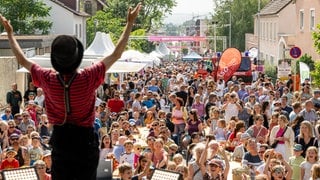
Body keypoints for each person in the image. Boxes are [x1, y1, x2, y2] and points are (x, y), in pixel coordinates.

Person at [0, 3, 141, 179]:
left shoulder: (48, 78)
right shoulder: (88, 77)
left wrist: (10, 34)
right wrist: (129, 23)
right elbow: (116, 54)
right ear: (77, 57)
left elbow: (22, 59)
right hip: (85, 141)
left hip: (61, 139)